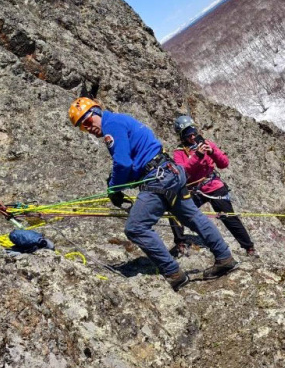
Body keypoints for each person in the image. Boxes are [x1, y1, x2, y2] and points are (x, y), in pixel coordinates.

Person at [68, 97, 238, 291]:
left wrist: (114, 188)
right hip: (170, 172)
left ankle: (173, 273)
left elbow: (123, 163)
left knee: (136, 227)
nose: (88, 128)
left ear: (97, 111)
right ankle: (224, 257)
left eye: (88, 121)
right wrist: (117, 182)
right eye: (83, 127)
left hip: (157, 179)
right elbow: (134, 162)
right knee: (193, 217)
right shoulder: (121, 120)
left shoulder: (111, 126)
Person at [168, 115, 256, 257]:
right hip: (194, 189)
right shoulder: (179, 152)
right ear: (182, 136)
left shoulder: (207, 144)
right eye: (187, 133)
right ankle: (180, 243)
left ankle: (249, 247)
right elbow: (183, 171)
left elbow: (224, 164)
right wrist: (198, 156)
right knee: (175, 210)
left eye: (193, 130)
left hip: (214, 186)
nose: (192, 135)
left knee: (229, 217)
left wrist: (213, 152)